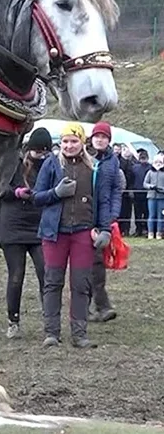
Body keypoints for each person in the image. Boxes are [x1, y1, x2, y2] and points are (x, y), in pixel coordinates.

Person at [32, 122, 112, 349]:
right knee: (52, 282)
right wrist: (55, 193)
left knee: (81, 284)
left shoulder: (95, 168)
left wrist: (105, 228)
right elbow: (37, 197)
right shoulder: (51, 164)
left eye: (74, 141)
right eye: (66, 141)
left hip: (83, 233)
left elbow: (103, 201)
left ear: (82, 143)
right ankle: (51, 333)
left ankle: (79, 334)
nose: (69, 145)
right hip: (54, 233)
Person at [0, 127, 51, 339]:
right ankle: (13, 321)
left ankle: (50, 319)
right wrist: (17, 192)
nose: (40, 155)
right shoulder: (13, 164)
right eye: (37, 151)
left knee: (45, 273)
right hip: (13, 225)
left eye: (44, 151)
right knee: (16, 276)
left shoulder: (50, 165)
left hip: (39, 225)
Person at [87, 122, 121, 323]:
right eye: (97, 136)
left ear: (109, 140)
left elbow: (116, 189)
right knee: (85, 264)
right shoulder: (83, 156)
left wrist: (113, 214)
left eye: (104, 137)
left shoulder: (112, 161)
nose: (100, 139)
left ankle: (100, 305)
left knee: (97, 261)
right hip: (82, 214)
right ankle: (96, 305)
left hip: (102, 217)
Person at [143, 154, 164, 239]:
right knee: (151, 215)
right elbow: (145, 183)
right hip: (151, 197)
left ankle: (159, 233)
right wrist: (151, 186)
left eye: (160, 162)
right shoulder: (150, 172)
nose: (158, 163)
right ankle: (150, 233)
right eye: (156, 162)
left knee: (161, 216)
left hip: (162, 197)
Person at [132, 150, 151, 237]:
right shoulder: (135, 167)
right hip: (137, 192)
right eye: (142, 158)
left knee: (147, 212)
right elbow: (131, 179)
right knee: (138, 213)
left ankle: (146, 229)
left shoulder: (150, 168)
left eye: (144, 158)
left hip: (147, 192)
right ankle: (138, 229)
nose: (143, 160)